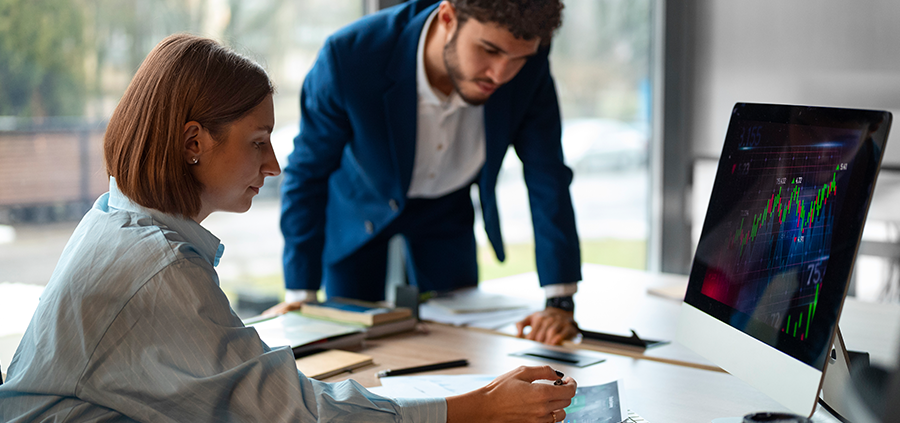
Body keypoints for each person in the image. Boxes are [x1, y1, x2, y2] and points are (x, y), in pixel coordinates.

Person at [0, 33, 576, 422]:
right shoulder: (160, 267)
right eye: (258, 143)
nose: (273, 165)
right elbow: (298, 414)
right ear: (193, 143)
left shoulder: (115, 217)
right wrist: (478, 407)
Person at [267, 0, 583, 346]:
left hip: (447, 209)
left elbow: (547, 174)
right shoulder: (350, 56)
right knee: (347, 342)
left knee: (457, 345)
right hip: (360, 207)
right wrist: (301, 292)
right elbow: (306, 174)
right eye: (489, 50)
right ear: (448, 17)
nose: (501, 74)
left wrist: (560, 300)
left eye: (518, 58)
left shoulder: (530, 62)